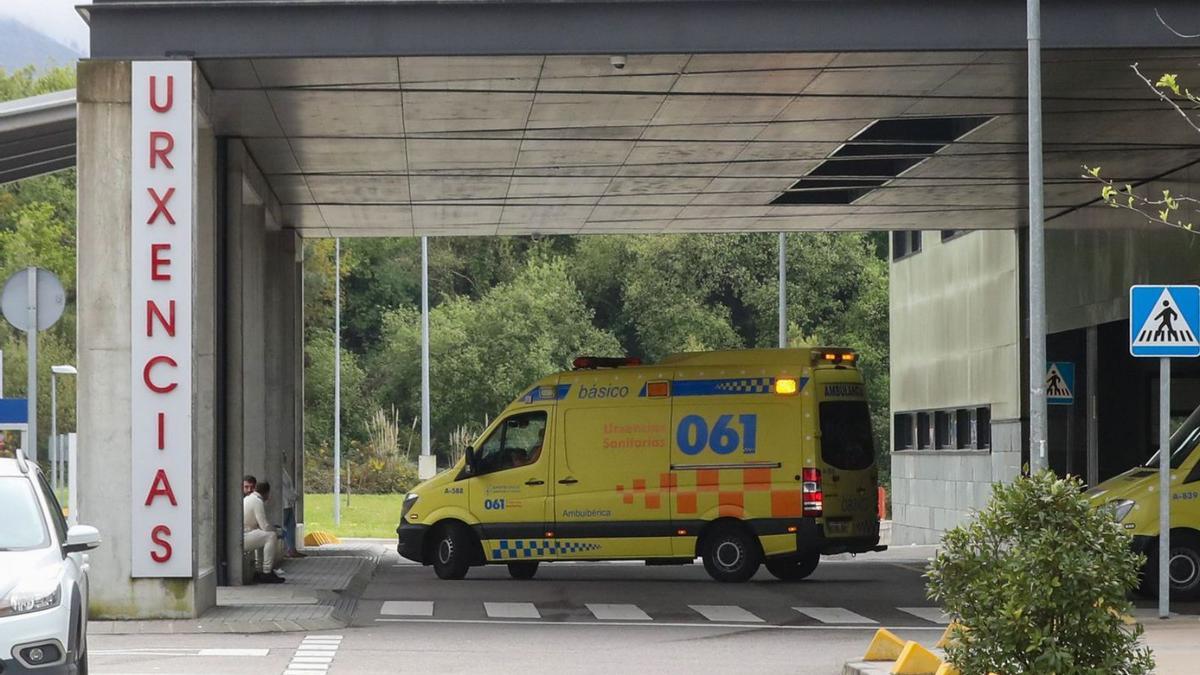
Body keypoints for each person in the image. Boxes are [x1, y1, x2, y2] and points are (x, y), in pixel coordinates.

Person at [243, 481, 284, 583]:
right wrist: (276, 531)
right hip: (245, 536)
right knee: (271, 536)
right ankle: (267, 571)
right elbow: (264, 525)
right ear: (266, 493)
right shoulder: (257, 501)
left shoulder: (248, 498)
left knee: (263, 537)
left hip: (245, 533)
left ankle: (258, 569)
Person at [281, 466, 304, 558]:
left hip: (288, 504)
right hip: (284, 504)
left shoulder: (283, 470)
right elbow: (283, 489)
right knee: (283, 527)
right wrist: (294, 497)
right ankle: (288, 549)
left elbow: (288, 486)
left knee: (291, 526)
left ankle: (292, 549)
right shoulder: (277, 471)